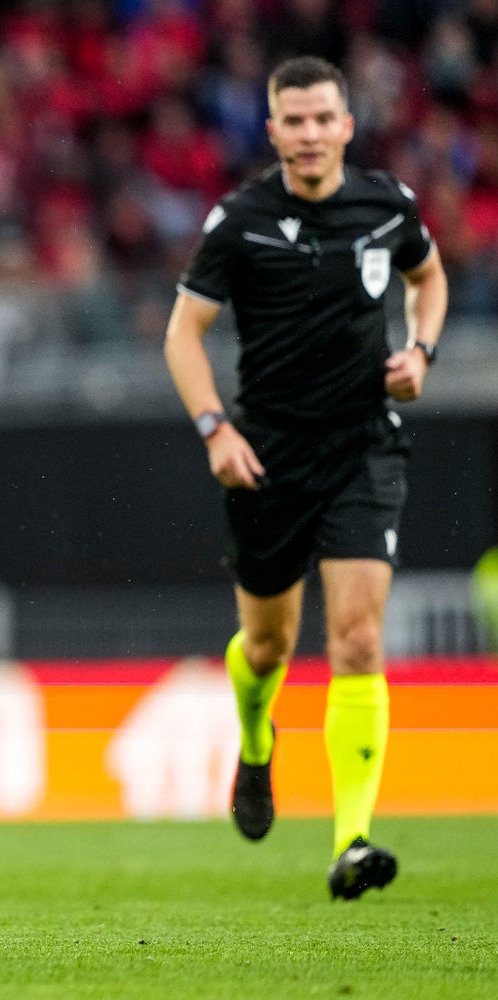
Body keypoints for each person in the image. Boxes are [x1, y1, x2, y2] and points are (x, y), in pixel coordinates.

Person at [163, 56, 447, 900]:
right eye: (297, 120)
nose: (312, 133)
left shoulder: (387, 204)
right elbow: (183, 335)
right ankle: (256, 744)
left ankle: (352, 840)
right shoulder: (240, 221)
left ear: (348, 124)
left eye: (326, 118)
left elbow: (429, 279)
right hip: (268, 457)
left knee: (358, 638)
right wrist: (215, 428)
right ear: (274, 129)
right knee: (268, 646)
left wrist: (421, 354)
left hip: (363, 445)